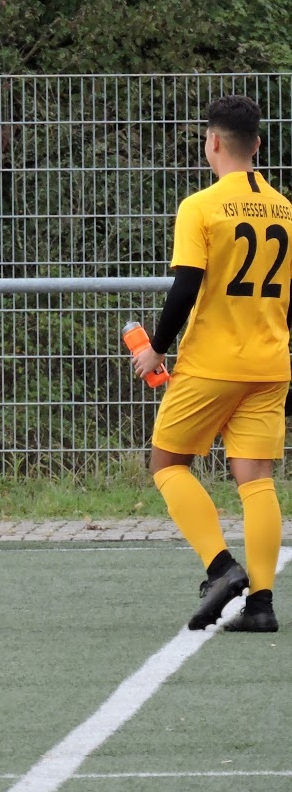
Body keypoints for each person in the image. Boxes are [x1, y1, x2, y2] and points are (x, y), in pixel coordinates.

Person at [132, 94, 286, 633]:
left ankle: (221, 568)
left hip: (213, 362)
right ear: (257, 145)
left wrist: (156, 346)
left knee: (167, 463)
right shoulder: (287, 210)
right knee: (256, 480)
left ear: (213, 142)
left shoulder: (201, 205)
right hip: (270, 364)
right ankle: (261, 606)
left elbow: (186, 285)